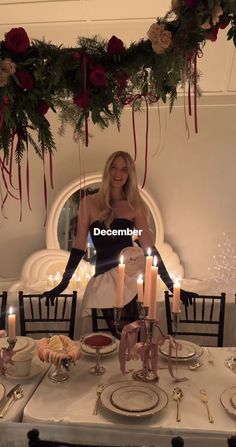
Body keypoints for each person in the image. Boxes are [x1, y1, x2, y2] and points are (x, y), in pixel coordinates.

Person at [44, 151, 196, 336]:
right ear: (107, 170)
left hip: (133, 276)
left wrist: (173, 287)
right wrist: (63, 282)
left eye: (124, 169)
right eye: (114, 167)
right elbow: (78, 247)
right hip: (105, 279)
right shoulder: (88, 203)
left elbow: (149, 249)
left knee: (133, 336)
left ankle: (137, 364)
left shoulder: (135, 206)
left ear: (129, 174)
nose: (118, 173)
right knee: (121, 334)